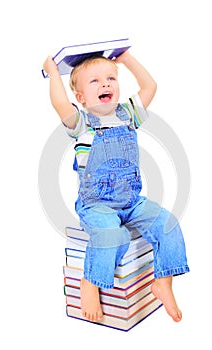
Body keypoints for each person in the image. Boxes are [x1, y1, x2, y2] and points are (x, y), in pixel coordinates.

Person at [43, 50, 189, 323]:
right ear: (81, 98)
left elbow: (150, 86)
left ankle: (164, 282)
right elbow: (58, 102)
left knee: (168, 223)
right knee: (110, 234)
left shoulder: (128, 114)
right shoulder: (81, 123)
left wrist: (127, 60)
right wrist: (53, 73)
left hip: (131, 202)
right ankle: (91, 283)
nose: (106, 84)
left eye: (110, 78)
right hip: (96, 204)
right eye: (95, 81)